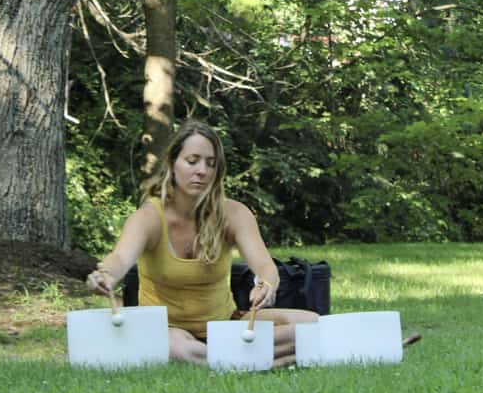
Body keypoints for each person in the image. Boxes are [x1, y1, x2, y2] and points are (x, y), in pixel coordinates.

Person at [86, 119, 318, 367]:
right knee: (183, 349)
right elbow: (120, 258)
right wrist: (105, 274)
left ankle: (231, 358)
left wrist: (266, 284)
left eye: (211, 164)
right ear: (172, 164)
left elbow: (264, 264)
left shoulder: (234, 214)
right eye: (192, 161)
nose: (202, 171)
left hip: (224, 325)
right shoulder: (149, 217)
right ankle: (254, 358)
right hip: (169, 331)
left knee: (313, 324)